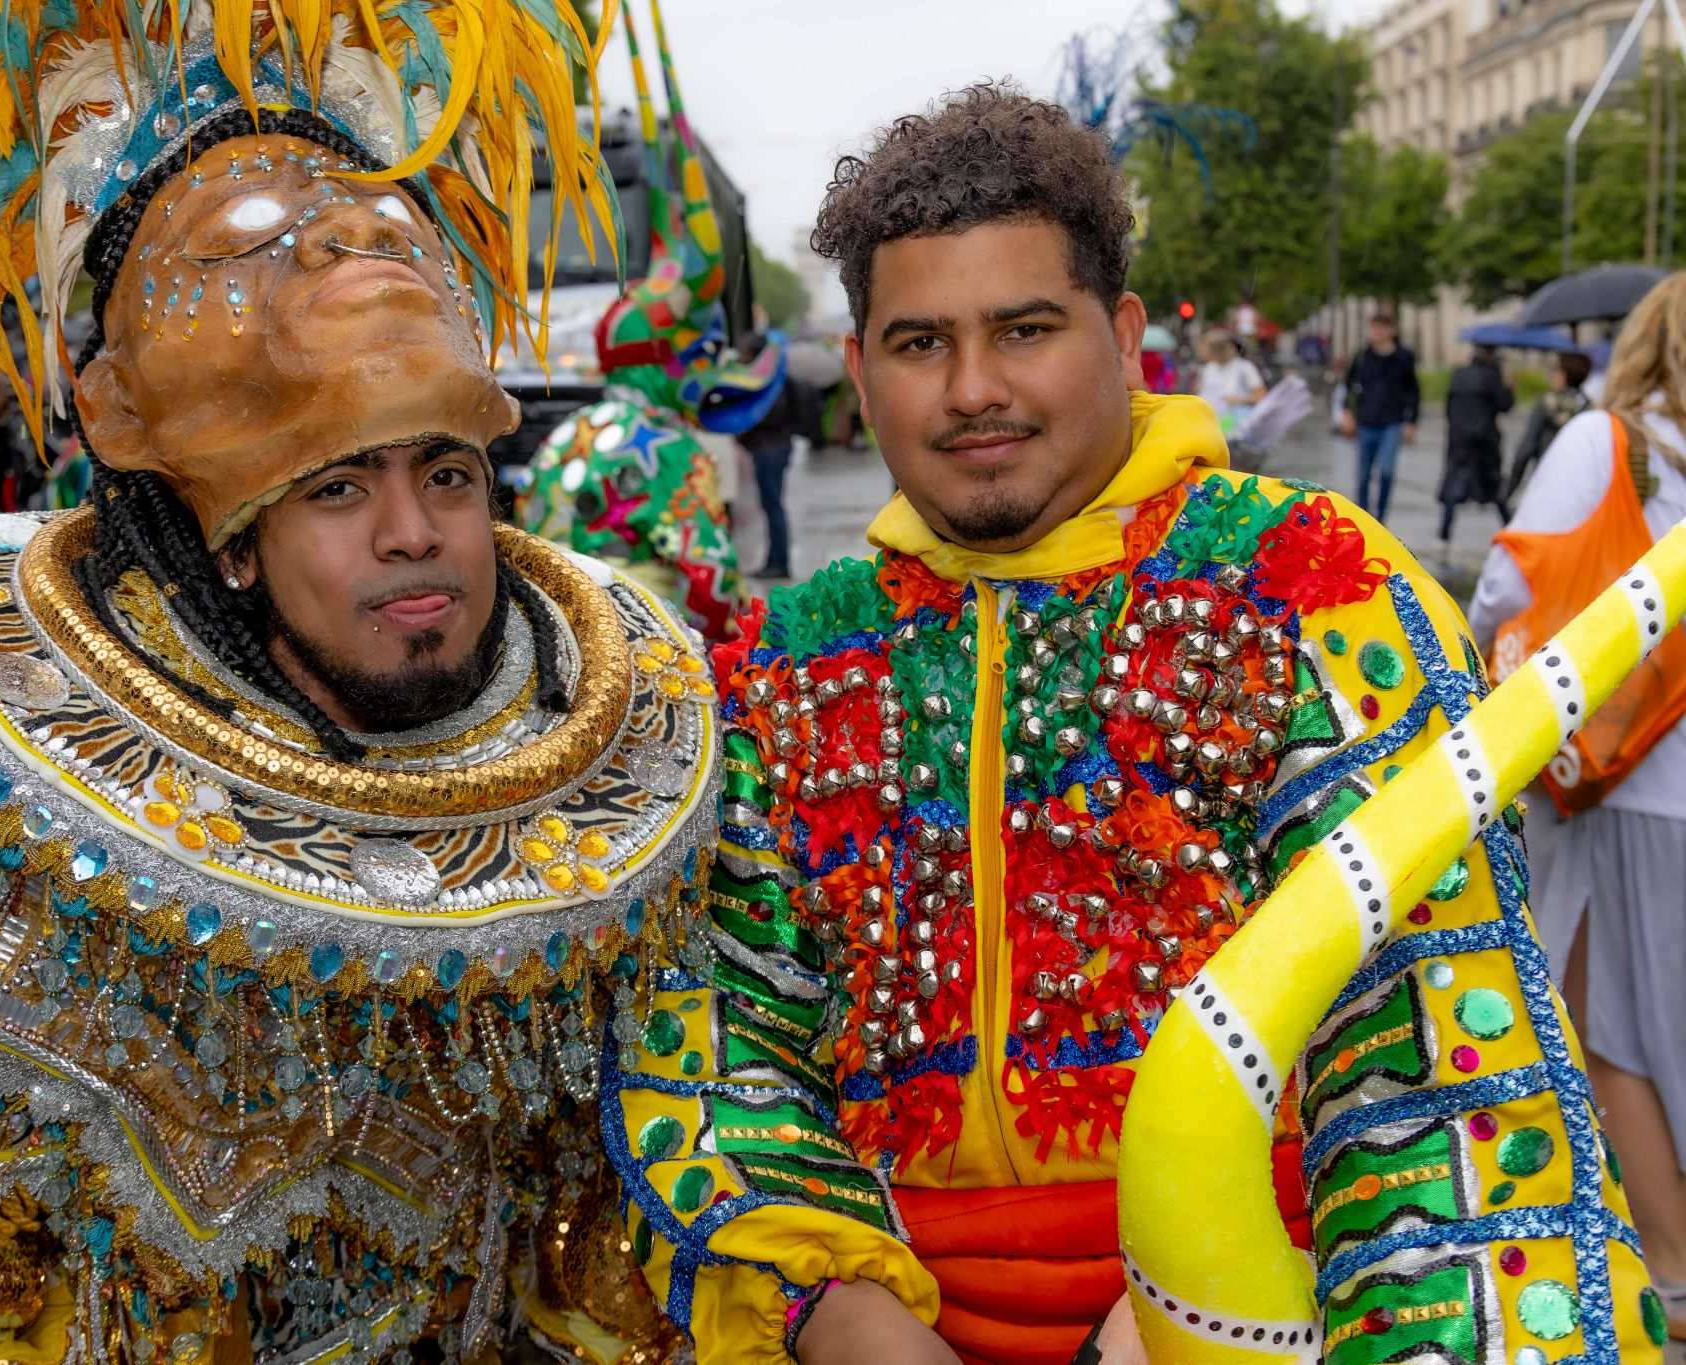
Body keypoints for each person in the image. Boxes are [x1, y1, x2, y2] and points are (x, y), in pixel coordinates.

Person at [0, 3, 716, 1364]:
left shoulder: (614, 750)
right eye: (337, 486)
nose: (415, 535)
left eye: (445, 472)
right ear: (227, 537)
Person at [603, 81, 1667, 1365]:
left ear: (1122, 334)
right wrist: (841, 1310)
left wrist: (1204, 1299)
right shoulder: (786, 657)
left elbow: (1424, 1027)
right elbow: (724, 1031)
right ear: (859, 371)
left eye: (1024, 328)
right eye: (919, 343)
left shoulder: (1301, 582)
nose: (972, 390)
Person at [1470, 273, 1686, 1340]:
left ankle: (1675, 1270)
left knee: (1610, 1029)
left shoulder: (1611, 445)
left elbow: (1510, 591)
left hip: (1622, 779)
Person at [518, 1, 773, 638]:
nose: (712, 365)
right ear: (671, 361)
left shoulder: (564, 439)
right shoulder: (670, 451)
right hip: (647, 651)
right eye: (703, 349)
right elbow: (711, 585)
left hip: (566, 648)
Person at [743, 359, 823, 580]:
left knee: (773, 506)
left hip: (771, 449)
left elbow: (768, 417)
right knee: (771, 506)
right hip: (773, 448)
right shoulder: (775, 381)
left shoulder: (771, 385)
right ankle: (774, 561)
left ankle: (778, 563)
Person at [1340, 311, 1420, 521]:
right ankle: (1363, 517)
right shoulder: (1362, 355)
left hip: (1392, 421)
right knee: (1363, 474)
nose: (1377, 333)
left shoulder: (1403, 357)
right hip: (1365, 419)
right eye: (1375, 328)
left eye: (1382, 328)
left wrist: (1412, 422)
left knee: (1386, 470)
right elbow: (1349, 386)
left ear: (1391, 331)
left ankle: (1381, 516)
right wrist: (1347, 414)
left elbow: (1413, 390)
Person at [1438, 343, 1516, 542]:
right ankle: (1513, 529)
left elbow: (1448, 408)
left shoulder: (1459, 374)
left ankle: (1444, 532)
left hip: (1459, 439)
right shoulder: (1492, 377)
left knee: (1454, 487)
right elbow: (1504, 405)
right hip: (1484, 441)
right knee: (1495, 487)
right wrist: (1509, 388)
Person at [1507, 350, 1595, 495]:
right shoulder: (1588, 408)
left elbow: (1527, 447)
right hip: (1579, 483)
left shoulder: (1546, 405)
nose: (1553, 375)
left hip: (1547, 477)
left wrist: (1511, 487)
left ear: (1564, 374)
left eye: (1556, 370)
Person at [1194, 329, 1266, 431]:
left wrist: (1240, 399)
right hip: (1209, 423)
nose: (1201, 351)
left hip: (1233, 424)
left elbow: (1261, 394)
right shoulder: (1209, 368)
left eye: (1205, 348)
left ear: (1215, 349)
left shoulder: (1244, 368)